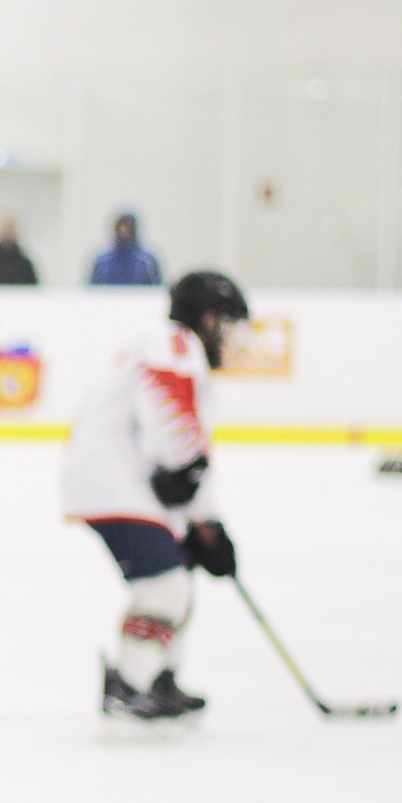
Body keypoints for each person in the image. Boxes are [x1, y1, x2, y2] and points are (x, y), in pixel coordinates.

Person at [62, 270, 248, 720]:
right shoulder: (174, 344)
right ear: (207, 320)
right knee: (166, 587)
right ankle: (128, 684)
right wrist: (186, 483)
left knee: (181, 570)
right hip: (115, 485)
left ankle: (160, 676)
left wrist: (208, 522)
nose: (229, 338)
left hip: (125, 482)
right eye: (226, 324)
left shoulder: (179, 350)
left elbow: (189, 452)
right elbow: (173, 427)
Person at [87, 210, 162, 287]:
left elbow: (157, 289)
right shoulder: (103, 261)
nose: (124, 231)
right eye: (122, 227)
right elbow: (92, 288)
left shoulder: (147, 261)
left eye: (128, 228)